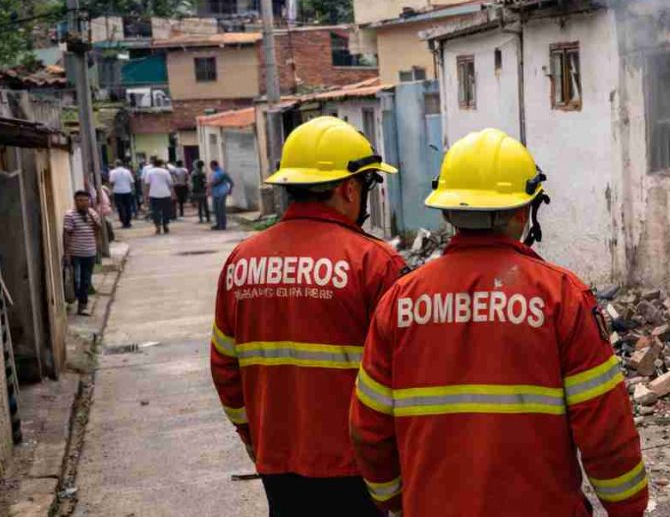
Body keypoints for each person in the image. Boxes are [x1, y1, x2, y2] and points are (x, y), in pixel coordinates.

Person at [350, 129, 647, 516]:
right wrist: (628, 508)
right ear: (524, 211)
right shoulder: (562, 297)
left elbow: (369, 428)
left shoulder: (400, 301)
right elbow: (605, 429)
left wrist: (394, 499)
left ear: (446, 211)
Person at [210, 116, 403, 517]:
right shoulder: (375, 262)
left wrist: (252, 436)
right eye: (368, 185)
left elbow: (224, 366)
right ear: (350, 189)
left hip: (275, 461)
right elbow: (404, 375)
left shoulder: (241, 260)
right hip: (356, 467)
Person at [62, 191, 101, 316]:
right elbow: (66, 234)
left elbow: (98, 229)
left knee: (86, 280)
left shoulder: (93, 213)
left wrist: (91, 215)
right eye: (80, 200)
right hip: (75, 253)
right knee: (76, 280)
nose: (83, 203)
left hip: (90, 252)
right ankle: (75, 298)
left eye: (85, 200)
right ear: (75, 201)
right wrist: (67, 252)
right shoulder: (70, 215)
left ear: (89, 201)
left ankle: (82, 306)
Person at [145, 157, 174, 234]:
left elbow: (147, 184)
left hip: (154, 194)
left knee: (155, 211)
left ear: (153, 164)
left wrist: (146, 195)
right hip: (165, 193)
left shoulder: (149, 172)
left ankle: (157, 227)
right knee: (166, 211)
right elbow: (170, 184)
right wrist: (173, 193)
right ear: (161, 164)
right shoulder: (165, 172)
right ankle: (165, 225)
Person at [108, 161, 135, 228]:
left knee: (120, 207)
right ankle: (128, 222)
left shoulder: (113, 172)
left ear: (116, 165)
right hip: (127, 191)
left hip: (117, 191)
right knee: (128, 207)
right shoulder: (127, 171)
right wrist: (132, 190)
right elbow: (131, 182)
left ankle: (123, 222)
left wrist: (111, 189)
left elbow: (111, 182)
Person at [210, 160, 233, 230]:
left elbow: (231, 182)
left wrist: (230, 190)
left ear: (214, 165)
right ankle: (218, 224)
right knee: (216, 209)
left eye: (211, 166)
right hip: (216, 193)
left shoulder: (221, 173)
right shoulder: (214, 173)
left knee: (220, 209)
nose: (211, 168)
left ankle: (222, 225)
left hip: (222, 193)